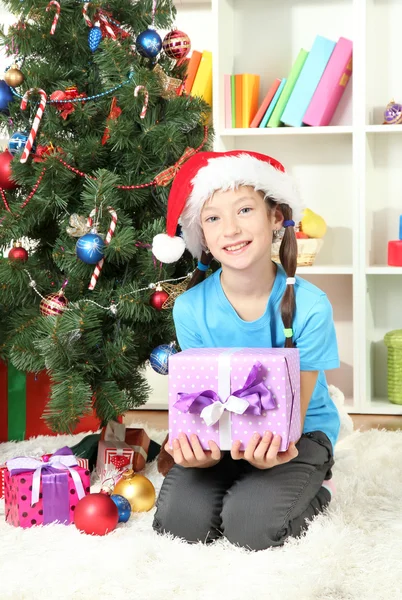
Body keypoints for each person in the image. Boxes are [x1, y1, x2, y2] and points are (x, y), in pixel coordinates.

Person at [151, 150, 339, 551]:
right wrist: (199, 454)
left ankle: (317, 491)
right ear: (201, 234)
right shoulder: (190, 308)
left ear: (275, 217)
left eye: (245, 210)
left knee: (249, 527)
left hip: (299, 433)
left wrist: (268, 461)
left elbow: (292, 424)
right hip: (225, 435)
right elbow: (202, 404)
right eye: (213, 218)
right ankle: (248, 485)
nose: (231, 230)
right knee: (179, 523)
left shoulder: (312, 306)